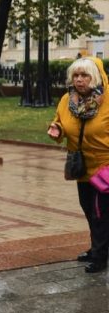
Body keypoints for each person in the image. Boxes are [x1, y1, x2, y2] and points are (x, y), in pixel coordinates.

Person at [48, 56, 109, 273]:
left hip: (105, 164)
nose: (79, 80)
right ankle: (97, 248)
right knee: (88, 208)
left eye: (84, 75)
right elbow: (61, 122)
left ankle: (100, 256)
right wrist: (57, 130)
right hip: (81, 164)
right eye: (76, 75)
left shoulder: (107, 99)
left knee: (100, 211)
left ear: (95, 78)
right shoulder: (68, 100)